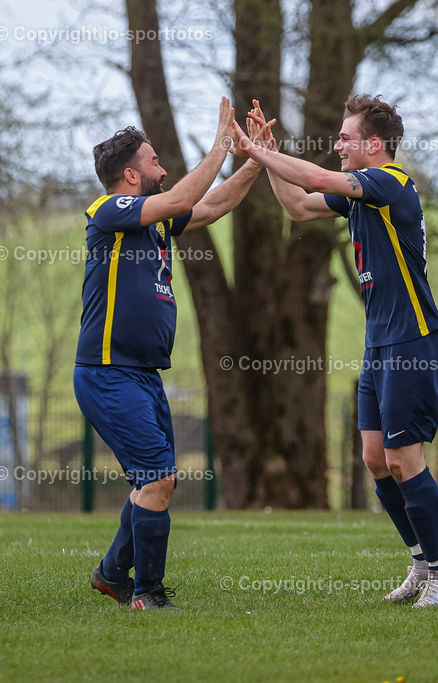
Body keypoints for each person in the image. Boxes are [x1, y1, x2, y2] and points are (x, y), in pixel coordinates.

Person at [236, 95, 438, 607]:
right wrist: (267, 154)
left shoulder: (390, 182)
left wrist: (256, 149)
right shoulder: (361, 196)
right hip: (379, 341)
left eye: (345, 137)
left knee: (405, 459)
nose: (337, 144)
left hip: (413, 340)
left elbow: (316, 179)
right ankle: (423, 563)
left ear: (374, 145)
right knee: (375, 458)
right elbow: (297, 206)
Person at [78, 97, 266, 610]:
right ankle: (147, 595)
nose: (163, 167)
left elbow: (214, 204)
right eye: (155, 160)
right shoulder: (110, 210)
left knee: (154, 480)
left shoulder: (157, 220)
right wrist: (220, 145)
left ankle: (113, 573)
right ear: (131, 177)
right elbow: (185, 195)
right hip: (107, 372)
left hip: (142, 374)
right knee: (158, 479)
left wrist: (253, 161)